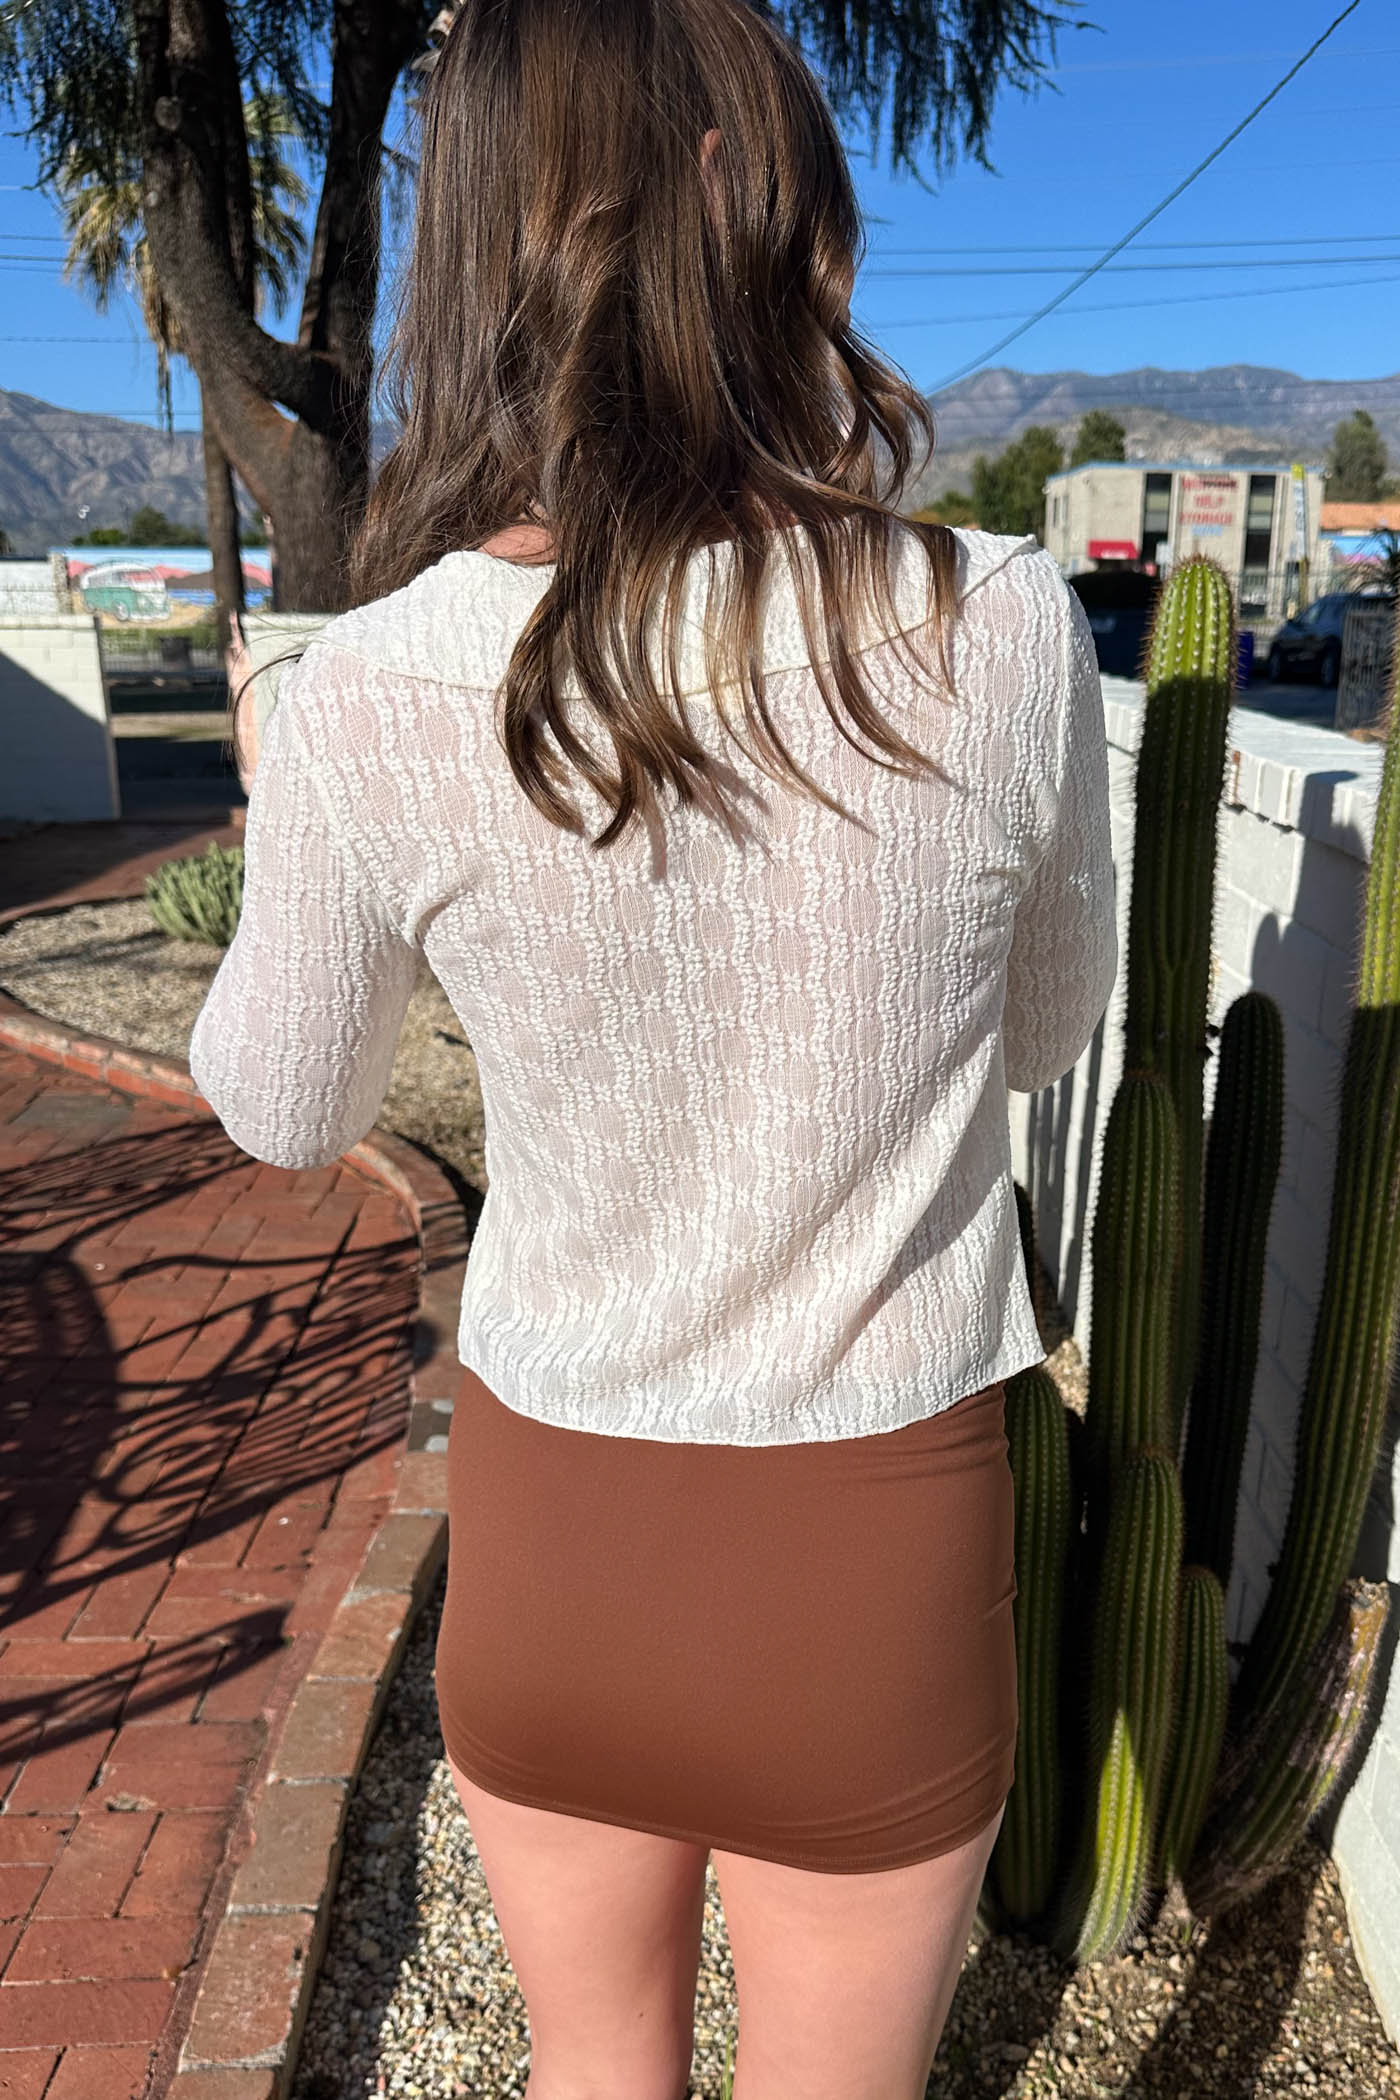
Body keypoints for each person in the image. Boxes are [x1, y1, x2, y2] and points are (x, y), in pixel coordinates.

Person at [194, 2, 1118, 2096]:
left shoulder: (371, 689)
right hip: (870, 1540)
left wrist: (288, 807)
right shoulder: (994, 626)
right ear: (740, 199)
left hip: (559, 1533)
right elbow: (1048, 1039)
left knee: (590, 2083)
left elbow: (282, 1108)